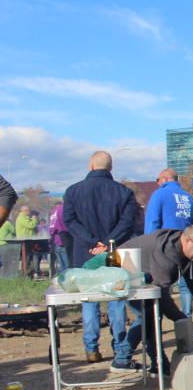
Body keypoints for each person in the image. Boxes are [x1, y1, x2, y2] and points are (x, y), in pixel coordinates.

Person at [63, 151, 139, 368]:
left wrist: (91, 242)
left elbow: (70, 221)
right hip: (115, 251)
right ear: (111, 168)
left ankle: (91, 348)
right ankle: (119, 346)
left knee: (89, 301)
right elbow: (127, 222)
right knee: (116, 298)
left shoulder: (73, 191)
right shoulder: (124, 192)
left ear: (90, 165)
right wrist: (108, 243)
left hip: (85, 253)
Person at [120, 225, 193, 374]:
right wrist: (183, 320)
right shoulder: (165, 255)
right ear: (187, 241)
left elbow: (190, 269)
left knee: (151, 316)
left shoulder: (182, 246)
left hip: (143, 274)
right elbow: (162, 297)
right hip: (124, 266)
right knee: (151, 314)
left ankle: (155, 365)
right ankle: (127, 360)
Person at [145, 168, 193, 317]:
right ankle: (186, 319)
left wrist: (148, 247)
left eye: (158, 180)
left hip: (163, 249)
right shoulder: (189, 198)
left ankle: (159, 321)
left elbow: (152, 222)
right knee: (186, 284)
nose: (157, 183)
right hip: (187, 247)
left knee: (160, 289)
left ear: (165, 178)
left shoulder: (160, 194)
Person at [14, 205, 42, 277]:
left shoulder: (25, 218)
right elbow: (31, 226)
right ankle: (25, 273)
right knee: (26, 258)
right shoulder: (21, 218)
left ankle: (30, 272)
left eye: (29, 210)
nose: (29, 212)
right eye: (27, 210)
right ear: (23, 211)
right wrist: (34, 219)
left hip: (29, 240)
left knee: (29, 257)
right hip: (24, 241)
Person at [47, 200, 71, 274]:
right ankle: (66, 279)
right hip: (62, 241)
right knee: (67, 265)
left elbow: (51, 229)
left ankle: (61, 279)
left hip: (56, 241)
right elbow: (64, 227)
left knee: (61, 264)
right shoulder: (61, 211)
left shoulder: (53, 214)